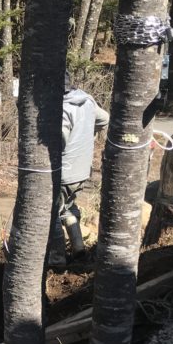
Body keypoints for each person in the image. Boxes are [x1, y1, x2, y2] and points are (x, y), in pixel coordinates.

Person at [49, 72, 110, 267]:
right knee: (68, 208)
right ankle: (78, 248)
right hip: (83, 171)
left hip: (65, 173)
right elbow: (104, 119)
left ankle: (56, 259)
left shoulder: (64, 108)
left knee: (52, 214)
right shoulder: (87, 100)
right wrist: (86, 133)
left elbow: (60, 138)